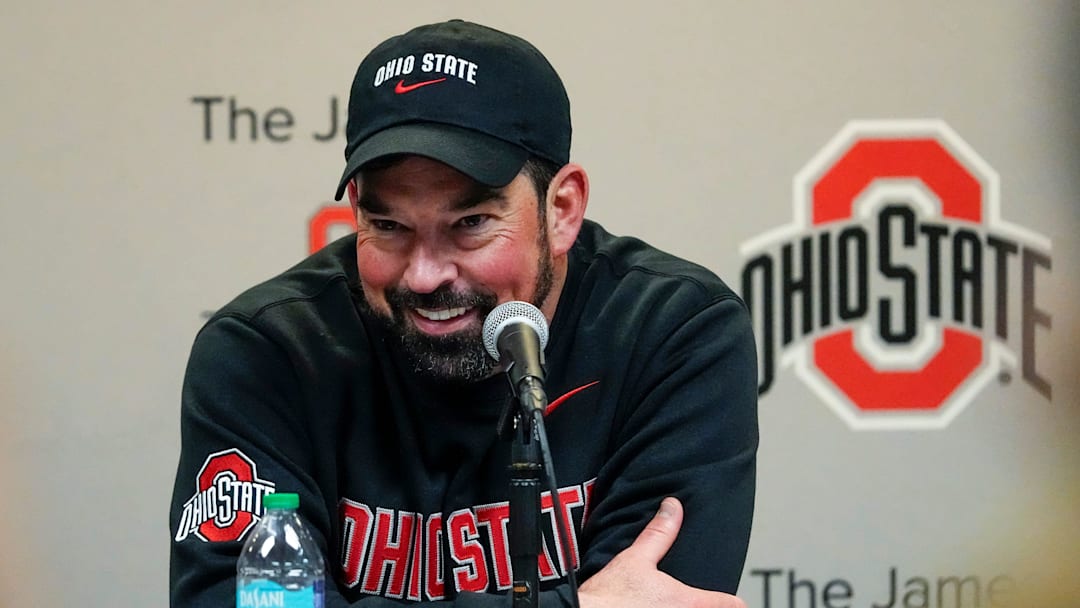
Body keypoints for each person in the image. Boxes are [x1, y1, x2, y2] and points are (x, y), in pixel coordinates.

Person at [169, 19, 758, 607]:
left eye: (470, 224)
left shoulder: (674, 334)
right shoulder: (267, 353)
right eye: (388, 226)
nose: (424, 275)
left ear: (563, 209)